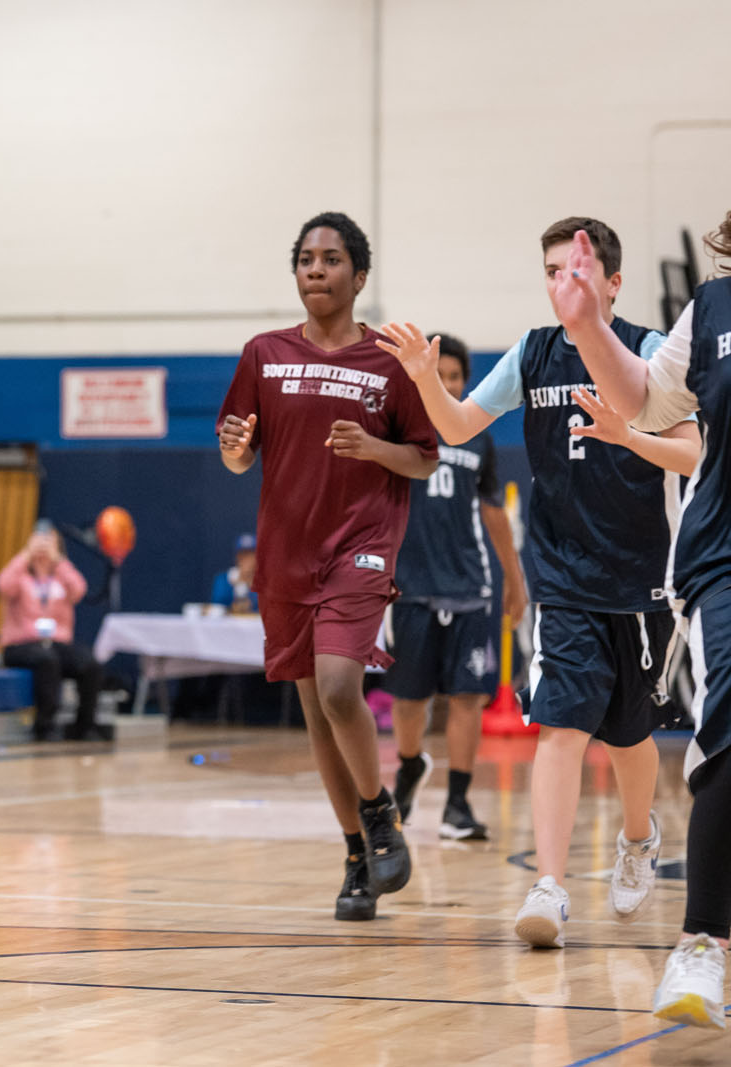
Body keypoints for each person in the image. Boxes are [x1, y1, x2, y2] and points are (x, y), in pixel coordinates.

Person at [377, 216, 699, 950]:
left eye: (576, 270)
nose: (563, 283)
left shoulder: (652, 350)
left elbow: (692, 455)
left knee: (630, 736)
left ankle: (638, 837)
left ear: (612, 283)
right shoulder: (532, 353)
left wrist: (628, 435)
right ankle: (549, 885)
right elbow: (458, 426)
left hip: (643, 577)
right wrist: (425, 379)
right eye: (553, 271)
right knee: (561, 726)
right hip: (563, 574)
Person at [218, 211, 437, 923]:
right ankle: (355, 855)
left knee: (342, 688)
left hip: (360, 546)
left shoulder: (388, 362)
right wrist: (234, 449)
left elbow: (424, 458)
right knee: (317, 713)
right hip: (287, 553)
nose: (316, 268)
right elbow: (238, 454)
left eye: (332, 258)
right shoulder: (263, 353)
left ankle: (379, 813)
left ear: (359, 276)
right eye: (306, 258)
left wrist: (374, 448)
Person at [551, 216, 731, 1028]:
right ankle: (701, 942)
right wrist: (590, 325)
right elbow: (647, 400)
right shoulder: (713, 307)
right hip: (724, 553)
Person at [383, 334, 529, 842]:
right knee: (409, 699)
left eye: (454, 377)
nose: (446, 384)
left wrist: (515, 578)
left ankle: (458, 805)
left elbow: (493, 512)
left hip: (470, 585)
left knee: (468, 697)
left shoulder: (477, 436)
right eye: (438, 374)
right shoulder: (399, 430)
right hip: (410, 587)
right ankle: (409, 766)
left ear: (465, 382)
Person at [0, 524, 104, 741]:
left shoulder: (61, 573)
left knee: (91, 664)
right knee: (47, 660)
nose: (43, 545)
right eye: (39, 539)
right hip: (21, 644)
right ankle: (44, 726)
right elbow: (4, 587)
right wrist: (26, 555)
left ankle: (85, 726)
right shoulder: (21, 571)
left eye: (49, 541)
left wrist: (59, 560)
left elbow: (79, 590)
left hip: (56, 642)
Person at [209, 533, 260, 614]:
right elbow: (217, 605)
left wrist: (249, 585)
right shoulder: (224, 579)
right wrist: (236, 585)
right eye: (243, 554)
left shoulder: (266, 582)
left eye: (251, 555)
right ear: (237, 557)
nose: (246, 559)